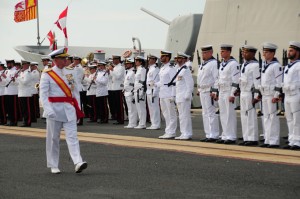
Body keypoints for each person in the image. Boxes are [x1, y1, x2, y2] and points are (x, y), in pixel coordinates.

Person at [39, 48, 87, 174]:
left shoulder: (70, 72)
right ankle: (53, 164)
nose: (66, 60)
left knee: (72, 137)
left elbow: (75, 91)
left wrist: (78, 109)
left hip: (69, 108)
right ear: (55, 60)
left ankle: (78, 162)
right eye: (63, 58)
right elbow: (43, 94)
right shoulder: (47, 73)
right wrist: (47, 109)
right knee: (53, 139)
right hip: (54, 109)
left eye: (66, 58)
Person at [213, 44, 240, 144]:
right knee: (223, 114)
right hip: (222, 91)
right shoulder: (222, 64)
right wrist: (216, 91)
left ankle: (231, 136)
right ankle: (225, 134)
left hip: (229, 90)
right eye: (221, 51)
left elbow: (235, 80)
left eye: (223, 51)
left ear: (229, 52)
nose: (221, 53)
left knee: (230, 114)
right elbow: (218, 78)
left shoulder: (233, 64)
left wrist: (232, 94)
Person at [258, 42, 282, 148]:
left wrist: (276, 95)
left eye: (266, 52)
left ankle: (274, 140)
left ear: (272, 53)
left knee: (273, 117)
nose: (264, 54)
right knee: (266, 117)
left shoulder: (276, 66)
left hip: (272, 95)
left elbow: (279, 82)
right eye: (264, 52)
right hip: (264, 94)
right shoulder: (264, 64)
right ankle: (267, 139)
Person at [238, 45, 260, 146]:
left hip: (250, 93)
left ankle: (252, 138)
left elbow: (257, 82)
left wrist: (256, 97)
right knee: (244, 116)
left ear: (252, 54)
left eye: (246, 52)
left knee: (251, 116)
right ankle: (246, 137)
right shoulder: (244, 64)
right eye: (243, 52)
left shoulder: (255, 65)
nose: (243, 54)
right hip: (243, 92)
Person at [197, 45, 219, 142]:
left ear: (211, 53)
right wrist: (199, 88)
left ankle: (213, 134)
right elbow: (201, 78)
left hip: (209, 91)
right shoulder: (203, 64)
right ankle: (208, 133)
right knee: (205, 113)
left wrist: (215, 90)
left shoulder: (213, 63)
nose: (203, 54)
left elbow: (216, 78)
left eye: (205, 53)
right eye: (202, 53)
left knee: (211, 113)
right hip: (203, 90)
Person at [155, 51, 177, 139]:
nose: (161, 57)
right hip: (162, 93)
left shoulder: (171, 69)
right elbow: (162, 81)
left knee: (171, 113)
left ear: (167, 57)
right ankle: (168, 131)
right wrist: (155, 84)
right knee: (165, 114)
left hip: (169, 93)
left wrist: (173, 95)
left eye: (163, 56)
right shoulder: (163, 68)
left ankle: (172, 132)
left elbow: (174, 82)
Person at [282, 41, 300, 150]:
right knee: (289, 119)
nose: (289, 53)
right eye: (289, 50)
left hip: (296, 94)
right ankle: (292, 140)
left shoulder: (299, 65)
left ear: (297, 52)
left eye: (291, 51)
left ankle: (297, 141)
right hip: (287, 95)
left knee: (297, 119)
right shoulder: (288, 66)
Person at [174, 52, 194, 140]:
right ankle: (183, 133)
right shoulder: (179, 69)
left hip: (184, 96)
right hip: (179, 96)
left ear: (184, 59)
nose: (178, 60)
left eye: (180, 58)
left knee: (185, 116)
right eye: (177, 58)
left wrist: (187, 94)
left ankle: (187, 133)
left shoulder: (186, 69)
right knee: (181, 116)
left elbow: (190, 83)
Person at [107, 55, 125, 124]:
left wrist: (112, 70)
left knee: (119, 105)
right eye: (113, 59)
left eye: (114, 59)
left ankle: (121, 119)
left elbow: (118, 77)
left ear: (118, 60)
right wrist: (108, 72)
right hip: (113, 88)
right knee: (115, 105)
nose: (113, 61)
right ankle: (117, 118)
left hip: (118, 88)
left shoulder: (121, 67)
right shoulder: (114, 68)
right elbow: (111, 77)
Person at [146, 54, 161, 130]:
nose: (149, 60)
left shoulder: (155, 69)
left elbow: (156, 81)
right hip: (149, 90)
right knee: (151, 108)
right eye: (149, 59)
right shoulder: (150, 68)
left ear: (155, 60)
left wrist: (155, 91)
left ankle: (156, 124)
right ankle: (153, 123)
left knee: (155, 108)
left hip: (153, 89)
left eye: (151, 59)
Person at [17, 60, 33, 127]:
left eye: (24, 65)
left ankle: (28, 122)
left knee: (27, 109)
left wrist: (18, 77)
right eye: (22, 65)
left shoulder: (28, 73)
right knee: (23, 109)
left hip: (26, 93)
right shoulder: (22, 73)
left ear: (27, 65)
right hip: (21, 93)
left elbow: (25, 82)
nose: (23, 66)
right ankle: (24, 121)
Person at [123, 58, 138, 128]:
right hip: (126, 92)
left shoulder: (133, 72)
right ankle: (130, 123)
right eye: (126, 64)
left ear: (131, 64)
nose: (126, 65)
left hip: (131, 92)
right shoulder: (128, 72)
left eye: (127, 63)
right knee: (129, 109)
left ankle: (133, 123)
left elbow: (135, 83)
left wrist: (133, 92)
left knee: (132, 109)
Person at [4, 59, 19, 126]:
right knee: (9, 108)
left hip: (13, 92)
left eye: (8, 64)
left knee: (13, 108)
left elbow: (15, 83)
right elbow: (5, 82)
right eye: (7, 64)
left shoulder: (16, 71)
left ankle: (14, 121)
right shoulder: (7, 71)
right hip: (7, 92)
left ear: (12, 64)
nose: (7, 65)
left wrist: (5, 78)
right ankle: (10, 120)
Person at [133, 56, 147, 129]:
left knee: (141, 107)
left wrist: (141, 91)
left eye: (137, 61)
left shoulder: (142, 69)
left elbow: (142, 81)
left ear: (141, 62)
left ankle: (142, 123)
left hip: (139, 90)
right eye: (136, 60)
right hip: (136, 89)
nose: (136, 62)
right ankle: (141, 122)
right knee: (138, 107)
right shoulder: (138, 69)